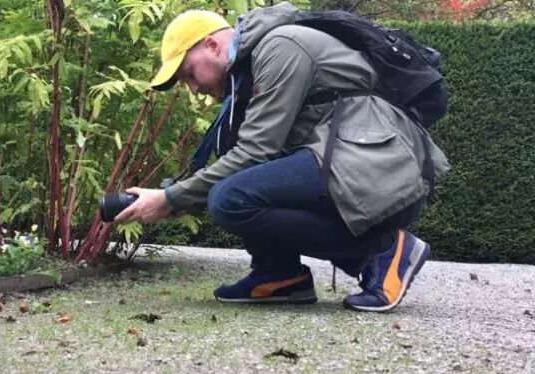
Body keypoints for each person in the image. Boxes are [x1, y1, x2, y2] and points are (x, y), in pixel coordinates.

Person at [113, 2, 450, 312]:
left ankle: (381, 253)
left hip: (379, 167)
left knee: (230, 199)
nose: (193, 88)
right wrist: (179, 197)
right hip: (358, 165)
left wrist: (171, 198)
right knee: (235, 184)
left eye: (188, 74)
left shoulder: (280, 46)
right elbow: (252, 157)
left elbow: (254, 153)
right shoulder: (250, 73)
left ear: (212, 46)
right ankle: (280, 275)